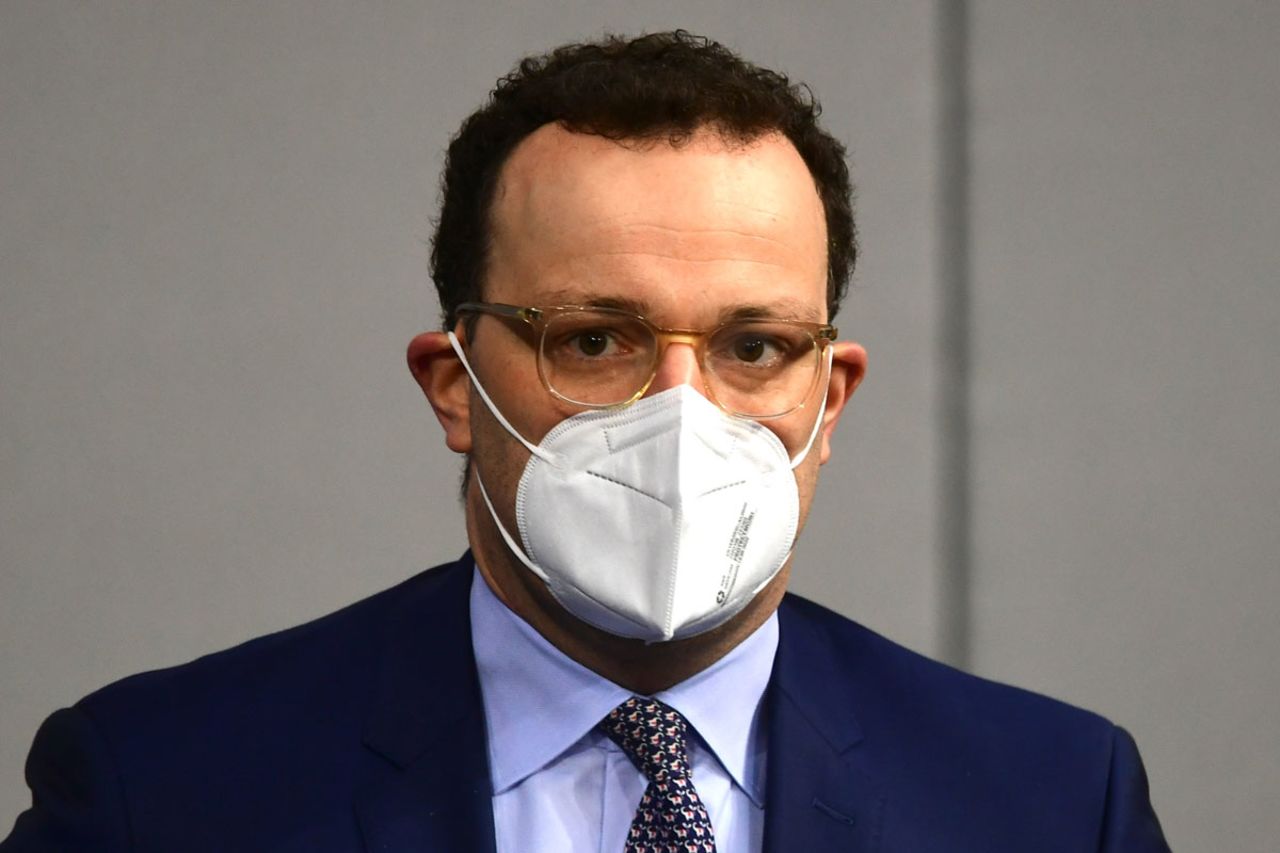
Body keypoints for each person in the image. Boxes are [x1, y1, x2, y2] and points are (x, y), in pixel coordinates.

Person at [1, 31, 1169, 852]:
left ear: (832, 401)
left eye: (752, 347)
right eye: (596, 340)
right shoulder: (163, 791)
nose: (680, 408)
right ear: (453, 384)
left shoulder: (1053, 801)